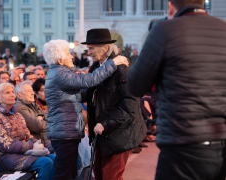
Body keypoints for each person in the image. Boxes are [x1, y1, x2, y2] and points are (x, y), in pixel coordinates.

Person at [127, 0, 226, 179]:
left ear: (171, 6)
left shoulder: (164, 30)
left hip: (182, 142)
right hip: (220, 141)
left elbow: (135, 85)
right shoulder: (223, 28)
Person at [43, 39, 127, 180]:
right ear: (60, 60)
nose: (71, 56)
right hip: (64, 133)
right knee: (64, 174)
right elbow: (88, 80)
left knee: (69, 173)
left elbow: (79, 94)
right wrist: (112, 63)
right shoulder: (60, 74)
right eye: (68, 54)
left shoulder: (58, 73)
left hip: (65, 132)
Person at [82, 29, 147, 180]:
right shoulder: (96, 66)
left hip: (118, 133)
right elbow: (89, 92)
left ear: (104, 48)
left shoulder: (122, 67)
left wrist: (106, 124)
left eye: (91, 48)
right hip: (102, 133)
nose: (88, 52)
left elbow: (129, 104)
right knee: (99, 174)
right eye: (88, 48)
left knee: (110, 177)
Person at [0, 83, 55, 180]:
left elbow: (27, 135)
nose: (12, 95)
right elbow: (5, 144)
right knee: (46, 163)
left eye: (13, 92)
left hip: (22, 152)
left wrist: (37, 144)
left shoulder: (17, 114)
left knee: (54, 158)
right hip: (5, 157)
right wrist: (31, 146)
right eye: (7, 93)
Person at [14, 81, 53, 153]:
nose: (33, 93)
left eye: (32, 91)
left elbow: (51, 114)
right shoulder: (19, 106)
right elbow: (38, 126)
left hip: (49, 136)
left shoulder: (32, 103)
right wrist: (51, 122)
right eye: (28, 91)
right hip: (41, 142)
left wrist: (42, 117)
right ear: (19, 96)